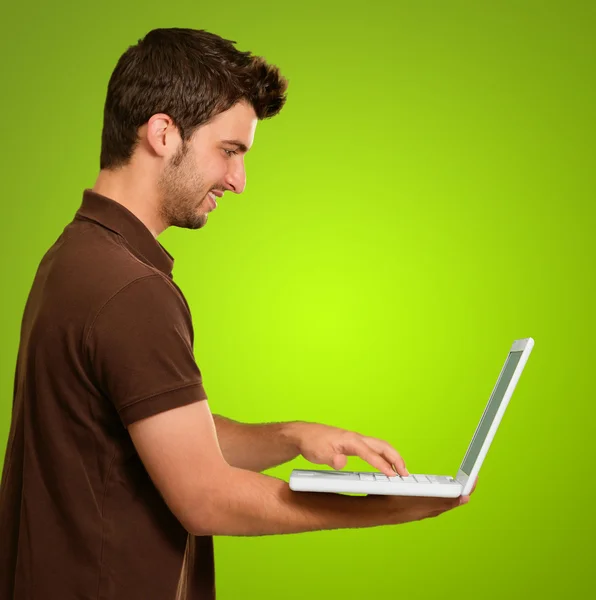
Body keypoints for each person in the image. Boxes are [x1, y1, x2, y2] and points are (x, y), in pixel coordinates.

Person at [0, 27, 474, 600]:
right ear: (162, 132)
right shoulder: (131, 292)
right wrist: (382, 507)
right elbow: (203, 495)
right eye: (229, 151)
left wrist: (292, 435)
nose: (238, 181)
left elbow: (162, 438)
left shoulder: (76, 258)